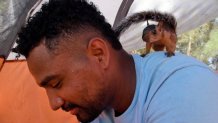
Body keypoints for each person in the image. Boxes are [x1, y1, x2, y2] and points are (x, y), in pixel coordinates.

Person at [13, 0, 218, 123]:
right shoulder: (101, 108)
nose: (53, 104)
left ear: (99, 53)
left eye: (56, 84)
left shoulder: (182, 88)